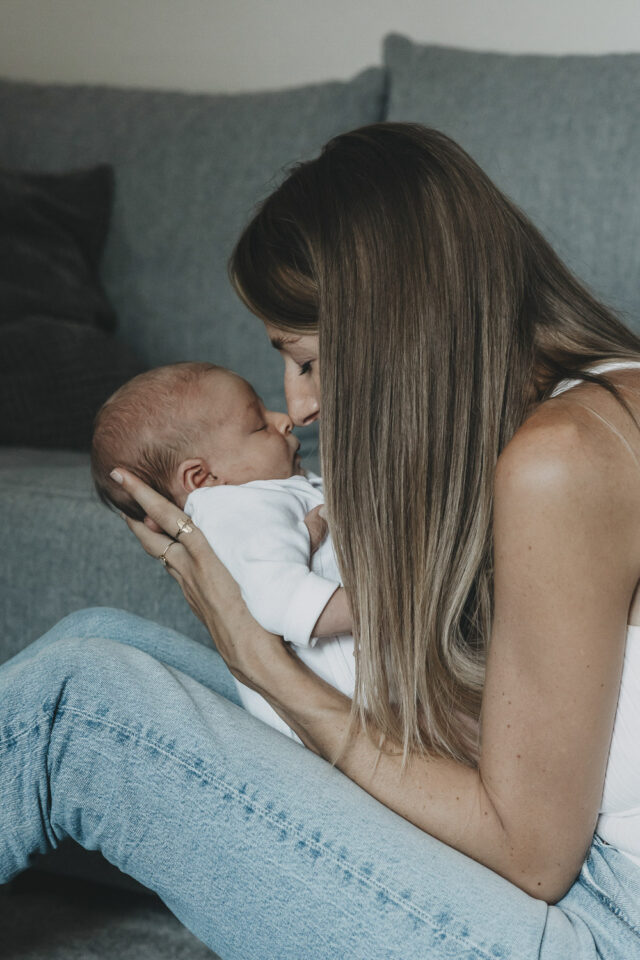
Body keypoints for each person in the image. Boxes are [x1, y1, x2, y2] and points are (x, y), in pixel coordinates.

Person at [3, 121, 640, 959]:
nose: (298, 408)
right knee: (99, 639)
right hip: (578, 867)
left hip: (601, 918)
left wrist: (260, 659)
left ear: (397, 330)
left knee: (77, 707)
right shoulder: (573, 408)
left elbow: (530, 857)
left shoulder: (566, 458)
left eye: (305, 360)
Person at [90, 361, 355, 740]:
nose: (285, 420)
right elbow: (283, 601)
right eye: (260, 424)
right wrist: (392, 609)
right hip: (345, 706)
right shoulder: (232, 507)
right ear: (202, 478)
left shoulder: (275, 489)